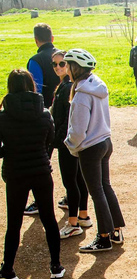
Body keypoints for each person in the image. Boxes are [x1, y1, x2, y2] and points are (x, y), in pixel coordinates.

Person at [0, 69, 65, 279]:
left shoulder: (3, 116)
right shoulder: (45, 113)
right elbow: (50, 139)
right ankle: (56, 265)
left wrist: (9, 150)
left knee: (14, 223)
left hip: (16, 172)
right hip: (40, 170)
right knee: (49, 219)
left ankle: (8, 269)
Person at [63, 49, 126, 253]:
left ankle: (104, 238)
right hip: (105, 142)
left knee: (96, 191)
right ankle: (115, 231)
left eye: (67, 66)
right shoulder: (97, 84)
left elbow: (78, 130)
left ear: (75, 68)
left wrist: (71, 145)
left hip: (90, 147)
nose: (65, 70)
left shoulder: (81, 95)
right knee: (105, 187)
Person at [50, 50, 92, 239]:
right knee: (78, 179)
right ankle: (83, 215)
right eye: (55, 64)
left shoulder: (68, 87)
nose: (58, 68)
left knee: (70, 181)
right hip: (71, 140)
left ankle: (73, 222)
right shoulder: (67, 85)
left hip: (67, 141)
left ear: (70, 66)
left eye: (62, 64)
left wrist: (57, 139)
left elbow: (65, 119)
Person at [23, 23, 59, 217]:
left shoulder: (35, 60)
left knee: (42, 158)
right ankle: (73, 197)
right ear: (52, 38)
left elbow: (34, 90)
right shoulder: (63, 56)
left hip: (45, 113)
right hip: (66, 109)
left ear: (36, 40)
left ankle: (39, 201)